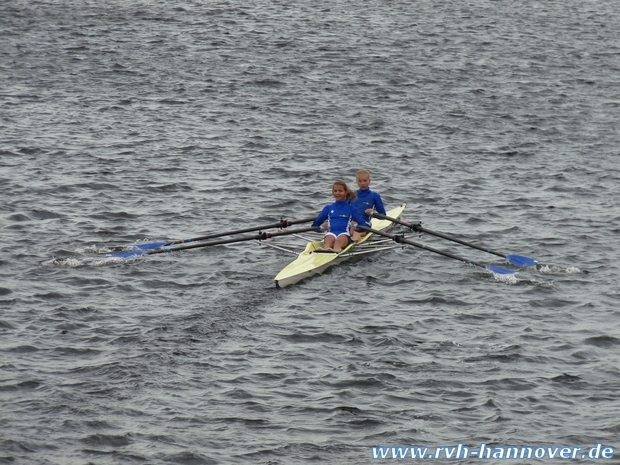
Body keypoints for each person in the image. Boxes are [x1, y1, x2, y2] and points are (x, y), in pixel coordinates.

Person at [312, 181, 371, 252]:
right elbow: (315, 226)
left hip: (344, 234)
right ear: (333, 192)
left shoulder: (351, 209)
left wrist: (357, 228)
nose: (337, 193)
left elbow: (363, 225)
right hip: (331, 233)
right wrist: (320, 229)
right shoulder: (328, 208)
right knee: (329, 241)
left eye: (340, 191)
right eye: (335, 191)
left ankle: (334, 252)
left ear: (345, 193)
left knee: (338, 242)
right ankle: (324, 252)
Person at [350, 169, 386, 241]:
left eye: (365, 180)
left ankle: (353, 241)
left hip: (364, 225)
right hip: (351, 223)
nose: (363, 183)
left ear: (369, 181)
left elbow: (383, 216)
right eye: (360, 181)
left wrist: (373, 213)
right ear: (357, 182)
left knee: (355, 230)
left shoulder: (374, 196)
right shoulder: (351, 195)